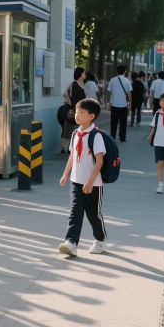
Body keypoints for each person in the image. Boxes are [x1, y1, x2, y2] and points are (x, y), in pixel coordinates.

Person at [58, 98, 107, 257]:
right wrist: (65, 174)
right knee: (75, 212)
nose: (77, 115)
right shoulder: (75, 133)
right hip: (76, 181)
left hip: (93, 183)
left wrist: (90, 182)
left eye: (81, 112)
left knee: (93, 215)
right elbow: (72, 155)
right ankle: (71, 242)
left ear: (91, 116)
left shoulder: (95, 136)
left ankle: (100, 240)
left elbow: (99, 162)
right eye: (76, 111)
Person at [61, 67, 87, 153]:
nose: (85, 74)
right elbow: (65, 94)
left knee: (77, 128)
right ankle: (65, 147)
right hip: (72, 109)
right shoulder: (73, 84)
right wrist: (70, 104)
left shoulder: (83, 85)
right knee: (68, 127)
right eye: (83, 72)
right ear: (80, 74)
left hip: (80, 110)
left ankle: (73, 146)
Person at [108, 65, 132, 142]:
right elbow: (129, 94)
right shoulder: (127, 81)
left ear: (116, 71)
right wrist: (130, 104)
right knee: (123, 123)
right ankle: (122, 137)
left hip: (114, 104)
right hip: (123, 105)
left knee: (113, 122)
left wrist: (109, 103)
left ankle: (112, 136)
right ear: (125, 72)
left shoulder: (112, 80)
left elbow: (110, 93)